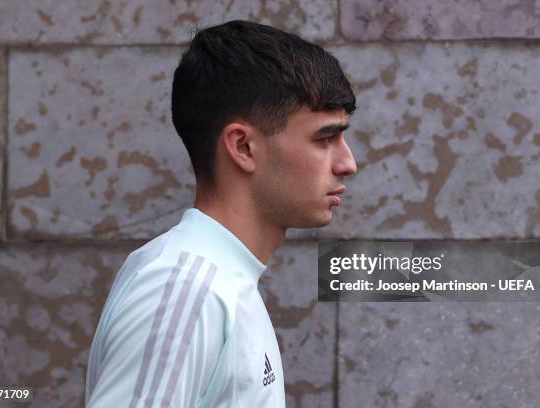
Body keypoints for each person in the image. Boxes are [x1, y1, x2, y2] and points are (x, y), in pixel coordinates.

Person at [85, 20, 357, 407]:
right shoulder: (184, 289)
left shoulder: (217, 283)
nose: (348, 163)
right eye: (325, 138)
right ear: (243, 147)